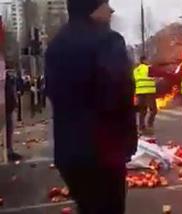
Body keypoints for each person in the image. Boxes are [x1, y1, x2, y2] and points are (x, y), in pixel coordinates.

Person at [45, 0, 137, 213]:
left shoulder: (56, 45)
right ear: (92, 8)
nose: (111, 10)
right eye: (106, 4)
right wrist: (128, 142)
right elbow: (118, 94)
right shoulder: (108, 40)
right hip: (104, 153)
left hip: (69, 154)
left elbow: (51, 92)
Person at [134, 56, 157, 133]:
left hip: (140, 92)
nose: (149, 61)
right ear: (144, 60)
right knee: (153, 110)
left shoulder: (136, 70)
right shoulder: (148, 68)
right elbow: (159, 73)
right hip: (148, 91)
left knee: (142, 110)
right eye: (147, 60)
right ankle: (150, 125)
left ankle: (141, 127)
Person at [5, 72, 22, 161]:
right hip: (6, 107)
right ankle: (8, 151)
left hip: (8, 107)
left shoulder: (8, 77)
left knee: (9, 130)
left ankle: (8, 151)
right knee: (8, 130)